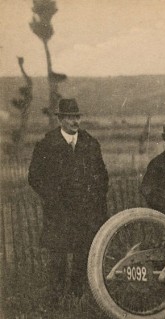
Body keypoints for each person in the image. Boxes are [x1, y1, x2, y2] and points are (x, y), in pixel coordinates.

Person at [28, 98, 109, 302]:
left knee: (83, 255)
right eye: (70, 117)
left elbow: (102, 175)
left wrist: (95, 199)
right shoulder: (47, 145)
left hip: (85, 212)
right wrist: (53, 197)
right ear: (61, 119)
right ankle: (55, 299)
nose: (75, 121)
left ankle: (77, 296)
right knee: (58, 257)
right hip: (59, 212)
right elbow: (35, 177)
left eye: (77, 117)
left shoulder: (89, 144)